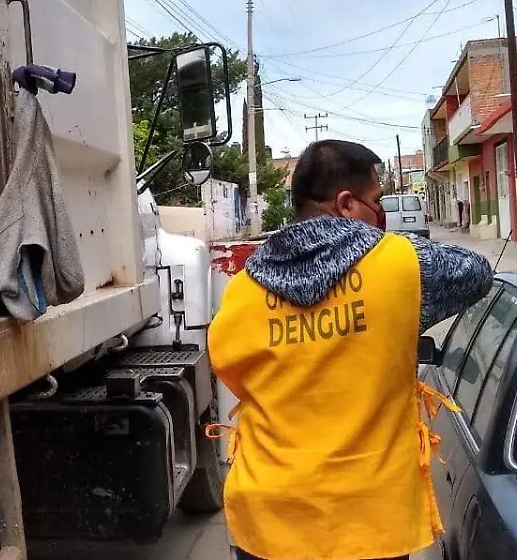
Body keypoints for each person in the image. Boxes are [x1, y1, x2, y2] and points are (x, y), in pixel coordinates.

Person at [208, 140, 493, 560]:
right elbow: (477, 273)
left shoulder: (242, 293)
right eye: (377, 202)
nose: (382, 215)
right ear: (346, 203)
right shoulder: (402, 265)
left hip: (269, 518)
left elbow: (233, 376)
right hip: (368, 520)